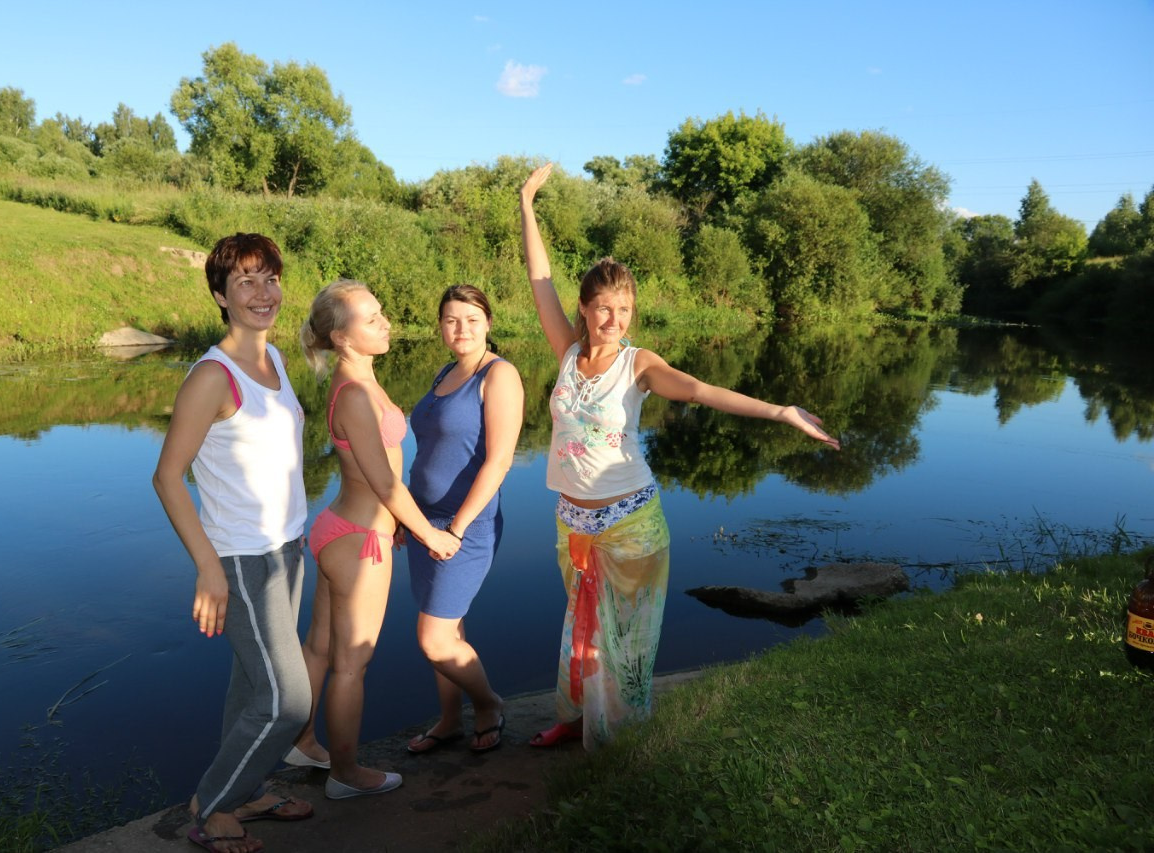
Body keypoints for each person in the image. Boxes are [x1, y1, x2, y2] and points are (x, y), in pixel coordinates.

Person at [519, 164, 842, 751]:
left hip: (630, 523)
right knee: (580, 628)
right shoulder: (566, 351)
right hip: (572, 521)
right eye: (604, 308)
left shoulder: (637, 363)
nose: (615, 320)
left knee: (626, 641)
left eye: (624, 309)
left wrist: (778, 411)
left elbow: (697, 390)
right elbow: (539, 277)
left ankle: (618, 740)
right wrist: (526, 203)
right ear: (583, 309)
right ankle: (574, 719)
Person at [152, 233, 315, 853]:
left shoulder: (274, 362)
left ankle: (246, 791)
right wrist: (208, 568)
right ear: (221, 296)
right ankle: (213, 807)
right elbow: (168, 477)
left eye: (269, 278)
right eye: (245, 281)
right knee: (287, 700)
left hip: (287, 548)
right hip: (243, 560)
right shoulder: (212, 377)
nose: (262, 292)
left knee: (252, 686)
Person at [299, 279, 461, 798]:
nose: (385, 322)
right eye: (371, 319)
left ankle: (301, 741)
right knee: (352, 664)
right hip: (360, 542)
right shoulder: (354, 394)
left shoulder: (359, 379)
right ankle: (345, 774)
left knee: (320, 648)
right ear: (342, 338)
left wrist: (401, 524)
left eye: (381, 312)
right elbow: (385, 482)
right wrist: (429, 534)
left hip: (342, 528)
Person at [402, 285, 524, 755]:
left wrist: (455, 529)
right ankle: (451, 720)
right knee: (449, 629)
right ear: (440, 326)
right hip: (424, 524)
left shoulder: (499, 375)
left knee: (434, 640)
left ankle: (489, 704)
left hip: (463, 527)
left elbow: (499, 461)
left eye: (472, 319)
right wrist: (408, 518)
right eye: (451, 320)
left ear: (488, 323)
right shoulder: (446, 372)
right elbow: (431, 450)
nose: (462, 329)